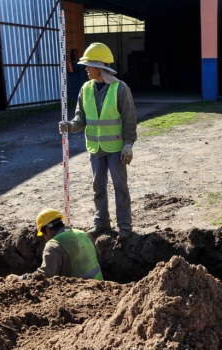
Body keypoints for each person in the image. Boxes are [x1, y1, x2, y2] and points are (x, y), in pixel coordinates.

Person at [58, 42, 137, 242]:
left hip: (116, 148)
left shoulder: (120, 89)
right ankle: (101, 224)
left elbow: (130, 118)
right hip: (95, 149)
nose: (85, 69)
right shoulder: (85, 89)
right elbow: (80, 119)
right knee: (98, 186)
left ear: (99, 67)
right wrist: (70, 125)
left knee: (120, 187)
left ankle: (125, 227)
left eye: (89, 65)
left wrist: (129, 144)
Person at [8, 208, 103, 281]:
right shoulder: (83, 234)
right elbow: (98, 259)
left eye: (43, 235)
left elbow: (44, 276)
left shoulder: (53, 246)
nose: (45, 238)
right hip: (101, 287)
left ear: (47, 230)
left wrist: (20, 279)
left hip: (80, 294)